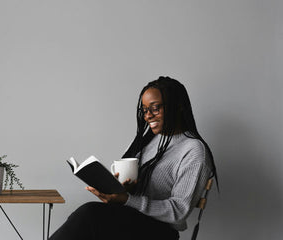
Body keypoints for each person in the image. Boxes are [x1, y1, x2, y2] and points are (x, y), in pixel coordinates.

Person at [49, 76, 218, 240]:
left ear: (178, 106)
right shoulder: (150, 141)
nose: (147, 116)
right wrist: (121, 190)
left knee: (89, 215)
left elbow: (179, 211)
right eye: (144, 110)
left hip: (159, 232)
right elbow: (139, 193)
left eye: (155, 108)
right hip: (133, 221)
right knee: (83, 220)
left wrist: (128, 200)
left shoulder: (194, 150)